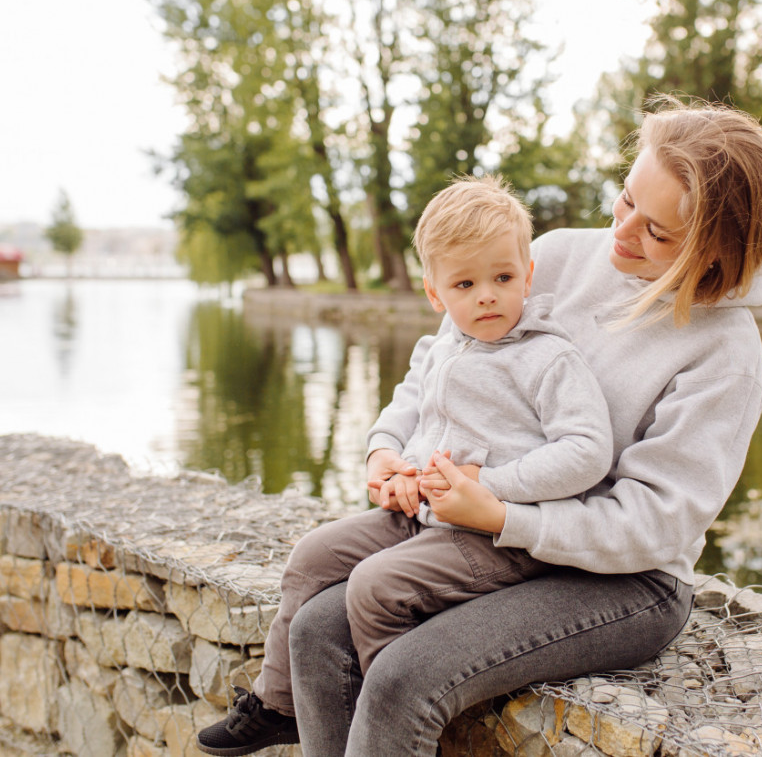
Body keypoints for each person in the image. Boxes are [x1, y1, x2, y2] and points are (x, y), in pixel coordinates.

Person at [196, 175, 614, 756]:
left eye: (502, 278)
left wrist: (486, 487)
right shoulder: (442, 347)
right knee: (311, 555)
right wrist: (385, 455)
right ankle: (276, 702)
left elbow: (587, 452)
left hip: (491, 534)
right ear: (436, 293)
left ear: (528, 275)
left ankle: (391, 721)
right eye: (465, 284)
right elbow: (405, 406)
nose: (486, 296)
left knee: (375, 587)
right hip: (419, 512)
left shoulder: (547, 358)